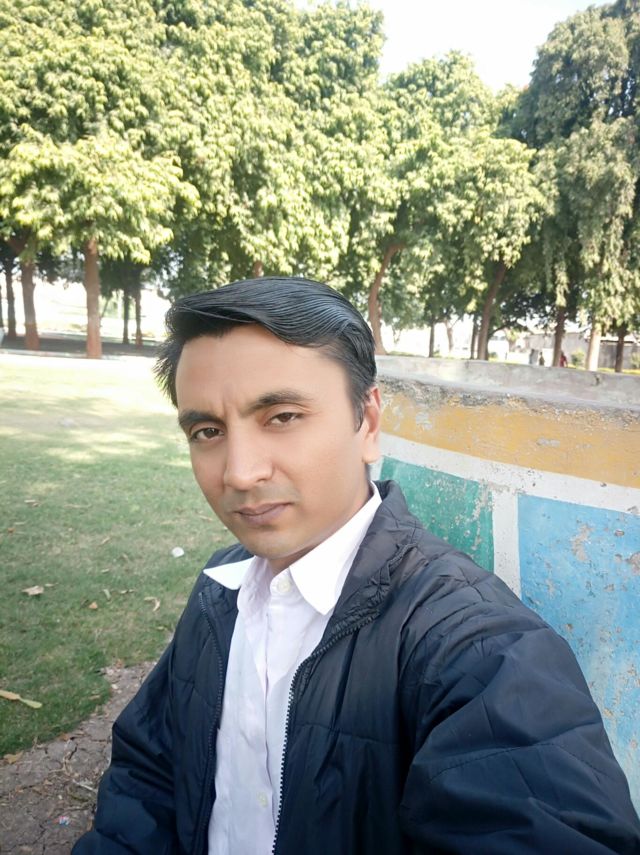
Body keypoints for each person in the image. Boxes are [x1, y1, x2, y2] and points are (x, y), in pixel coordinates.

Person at [73, 277, 640, 854]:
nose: (239, 472)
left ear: (367, 422)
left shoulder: (479, 652)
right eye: (208, 431)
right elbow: (149, 775)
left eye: (282, 416)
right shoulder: (222, 588)